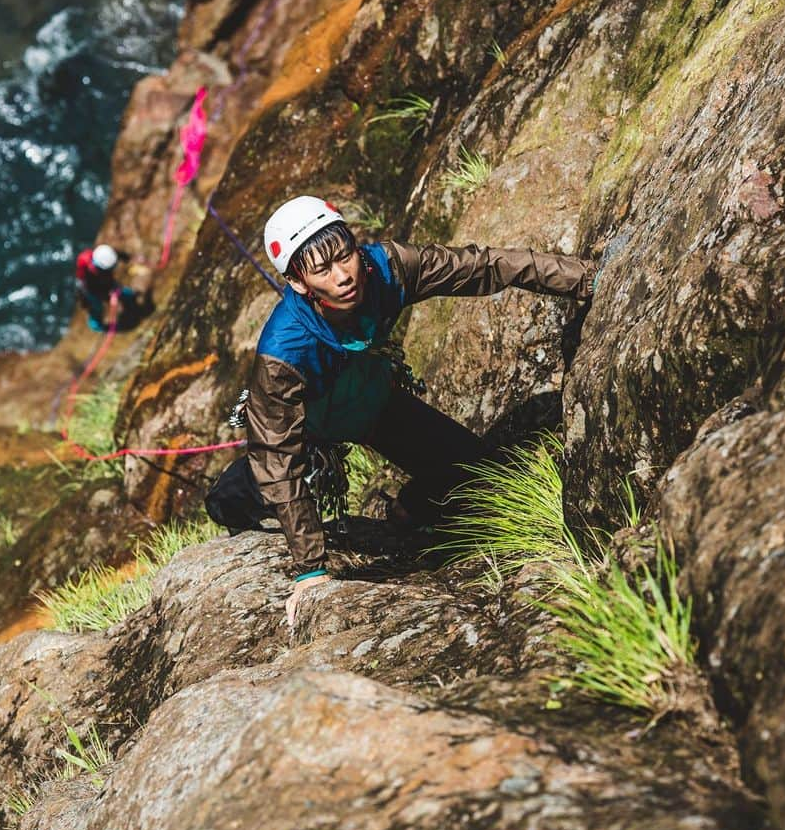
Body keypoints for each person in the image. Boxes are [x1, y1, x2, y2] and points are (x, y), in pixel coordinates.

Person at [204, 196, 597, 624]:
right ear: (299, 283)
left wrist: (585, 278)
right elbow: (278, 461)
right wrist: (311, 569)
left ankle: (406, 511)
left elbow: (483, 266)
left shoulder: (389, 267)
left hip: (372, 403)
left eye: (345, 256)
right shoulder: (283, 351)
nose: (343, 277)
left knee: (480, 473)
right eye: (322, 270)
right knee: (244, 492)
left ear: (357, 246)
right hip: (309, 434)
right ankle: (225, 505)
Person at [75, 243, 137, 331]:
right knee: (97, 308)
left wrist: (127, 258)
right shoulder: (90, 273)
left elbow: (116, 254)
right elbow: (92, 288)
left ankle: (130, 299)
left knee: (126, 294)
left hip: (106, 284)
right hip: (92, 291)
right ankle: (97, 326)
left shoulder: (103, 254)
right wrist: (110, 295)